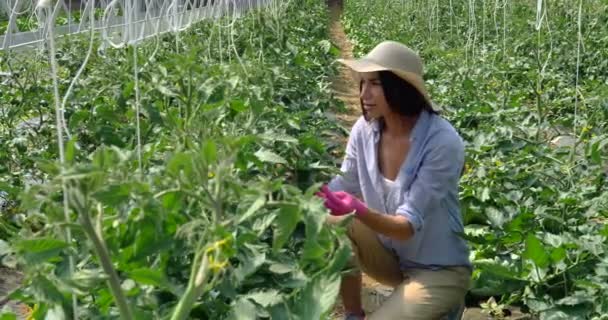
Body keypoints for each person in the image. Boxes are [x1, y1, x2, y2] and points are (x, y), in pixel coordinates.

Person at [316, 41, 471, 320]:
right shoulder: (365, 130)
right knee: (326, 224)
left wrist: (358, 209)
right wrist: (304, 200)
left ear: (400, 87)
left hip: (437, 270)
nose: (364, 94)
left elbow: (405, 227)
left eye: (374, 83)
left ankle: (446, 304)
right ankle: (353, 314)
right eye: (362, 83)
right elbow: (342, 184)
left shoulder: (441, 142)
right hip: (392, 260)